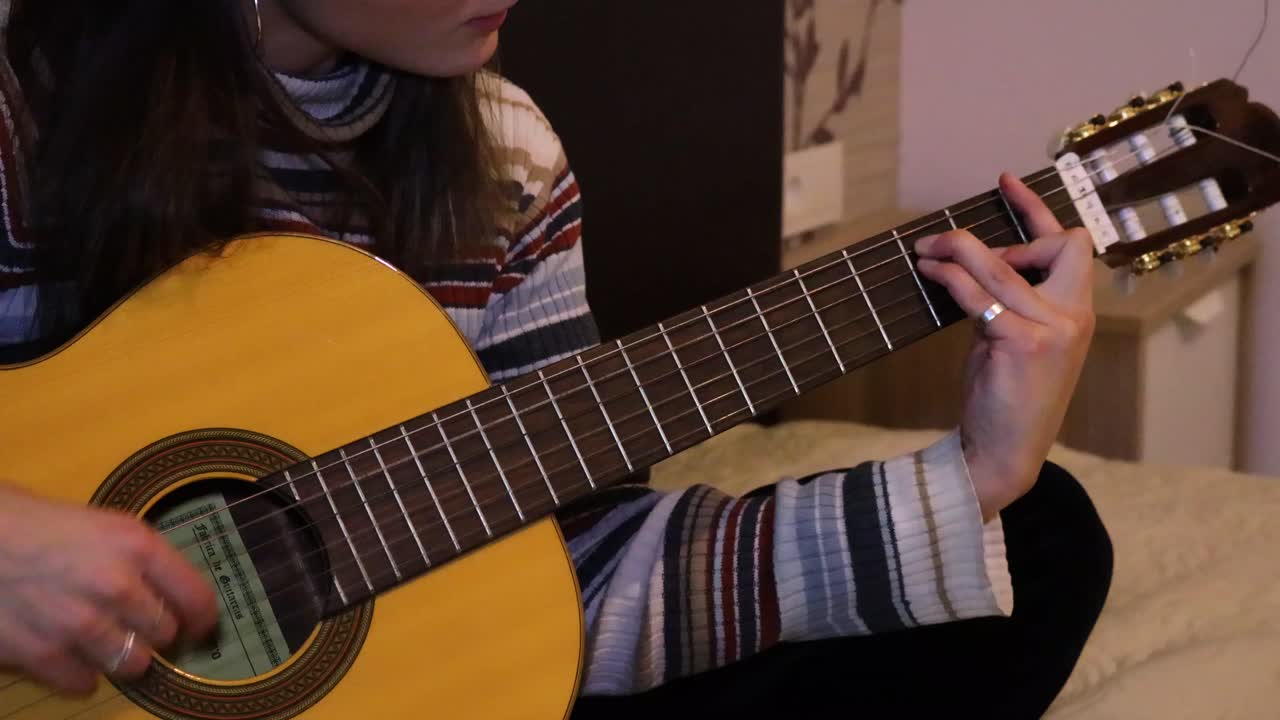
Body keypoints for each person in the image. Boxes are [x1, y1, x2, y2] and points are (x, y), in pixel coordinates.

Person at [0, 1, 1112, 717]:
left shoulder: (505, 152)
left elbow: (562, 583)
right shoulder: (20, 102)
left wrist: (970, 479)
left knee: (1039, 540)